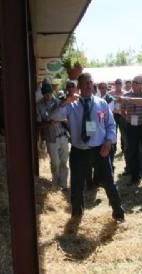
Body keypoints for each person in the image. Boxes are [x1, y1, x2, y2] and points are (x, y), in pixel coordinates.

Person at [53, 73, 125, 222]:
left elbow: (111, 125)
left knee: (109, 182)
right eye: (85, 83)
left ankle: (118, 213)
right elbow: (55, 117)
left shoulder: (101, 103)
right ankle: (76, 214)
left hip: (100, 149)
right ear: (79, 87)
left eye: (90, 82)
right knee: (77, 184)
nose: (89, 85)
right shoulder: (71, 105)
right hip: (79, 151)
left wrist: (108, 142)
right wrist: (65, 102)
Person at [36, 79, 70, 189]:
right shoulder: (39, 106)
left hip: (63, 136)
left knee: (64, 162)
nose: (48, 96)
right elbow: (38, 124)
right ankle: (55, 183)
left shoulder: (59, 102)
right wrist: (48, 123)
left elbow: (67, 117)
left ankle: (63, 184)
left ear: (52, 92)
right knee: (55, 163)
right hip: (51, 138)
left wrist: (65, 120)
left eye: (49, 93)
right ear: (42, 94)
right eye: (45, 94)